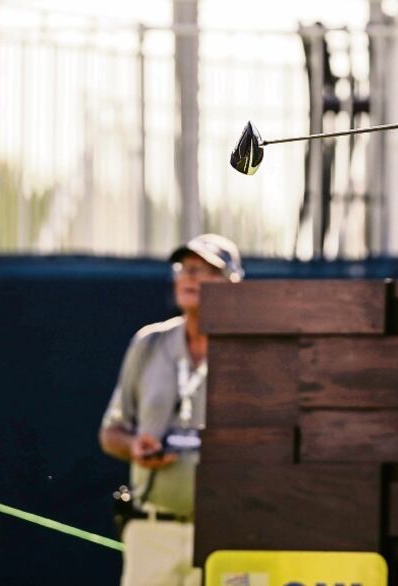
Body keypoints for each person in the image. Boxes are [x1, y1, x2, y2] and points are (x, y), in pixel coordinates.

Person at [99, 234, 245, 586]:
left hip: (229, 532)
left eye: (204, 269)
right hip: (152, 531)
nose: (190, 277)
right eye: (184, 268)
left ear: (232, 283)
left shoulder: (249, 351)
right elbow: (111, 432)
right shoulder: (148, 343)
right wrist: (134, 446)